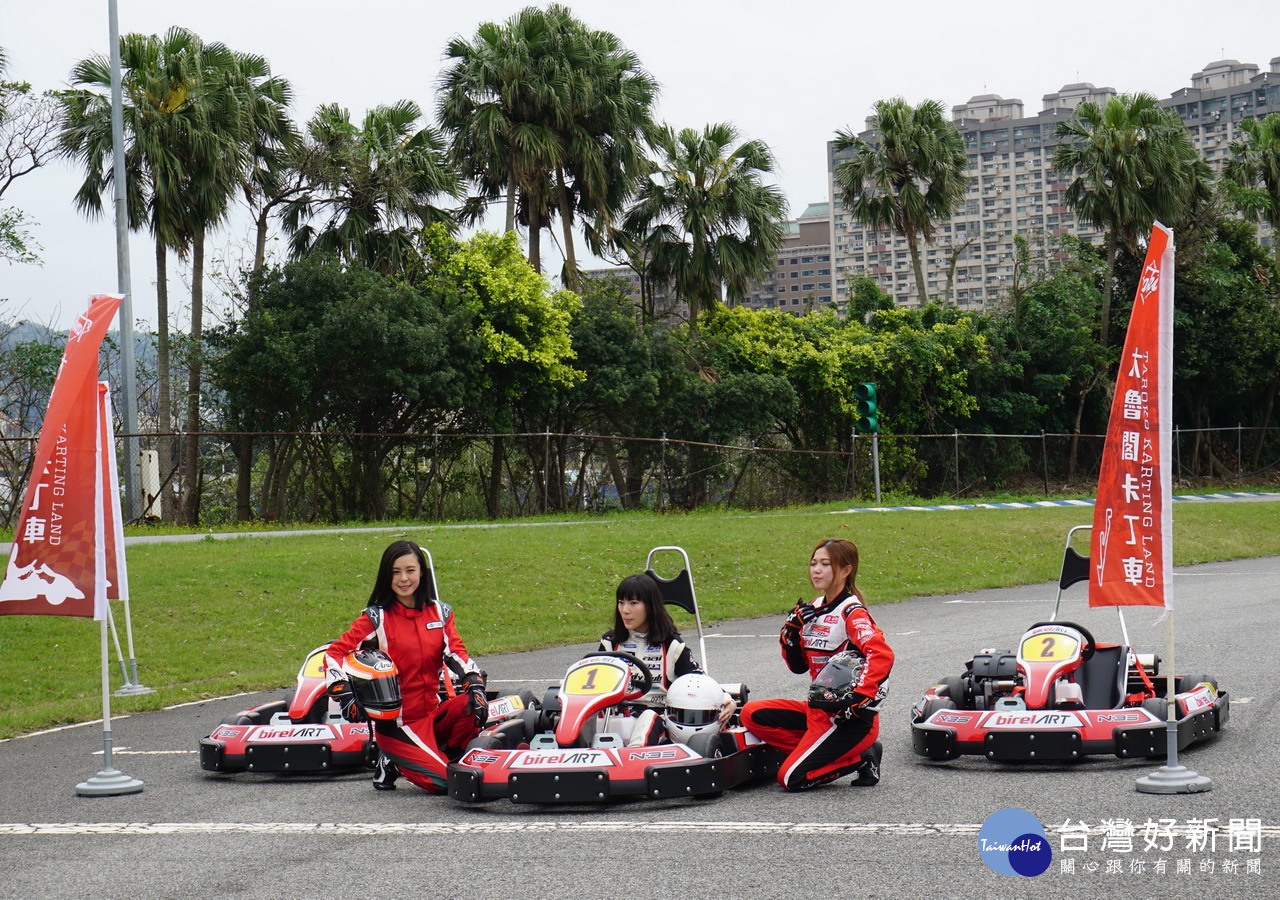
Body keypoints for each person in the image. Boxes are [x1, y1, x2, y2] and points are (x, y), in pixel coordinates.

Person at [326, 540, 486, 793]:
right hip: (396, 726)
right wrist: (343, 692)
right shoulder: (375, 618)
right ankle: (393, 757)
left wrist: (474, 682)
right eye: (395, 572)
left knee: (472, 702)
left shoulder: (441, 613)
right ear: (386, 575)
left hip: (432, 715)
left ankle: (445, 754)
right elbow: (334, 654)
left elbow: (456, 652)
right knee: (449, 782)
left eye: (410, 570)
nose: (403, 579)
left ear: (422, 572)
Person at [741, 538, 894, 790]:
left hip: (849, 720)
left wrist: (859, 698)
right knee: (751, 714)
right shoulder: (811, 608)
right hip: (818, 711)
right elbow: (798, 667)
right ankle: (816, 753)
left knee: (790, 778)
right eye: (813, 563)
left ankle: (863, 756)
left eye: (825, 564)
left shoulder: (852, 612)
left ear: (846, 571)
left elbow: (882, 655)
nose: (816, 570)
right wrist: (790, 634)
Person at [597, 573, 733, 746]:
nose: (625, 610)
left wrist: (727, 699)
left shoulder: (670, 645)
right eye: (621, 602)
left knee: (648, 718)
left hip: (657, 715)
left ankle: (634, 757)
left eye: (633, 603)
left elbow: (698, 680)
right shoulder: (610, 643)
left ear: (650, 606)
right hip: (613, 715)